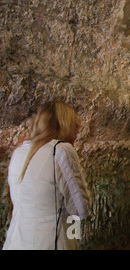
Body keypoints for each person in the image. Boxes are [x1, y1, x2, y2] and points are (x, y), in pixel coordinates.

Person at [2, 101, 92, 250]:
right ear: (64, 124)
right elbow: (81, 209)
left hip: (15, 242)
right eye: (74, 123)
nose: (78, 128)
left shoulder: (19, 152)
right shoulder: (61, 151)